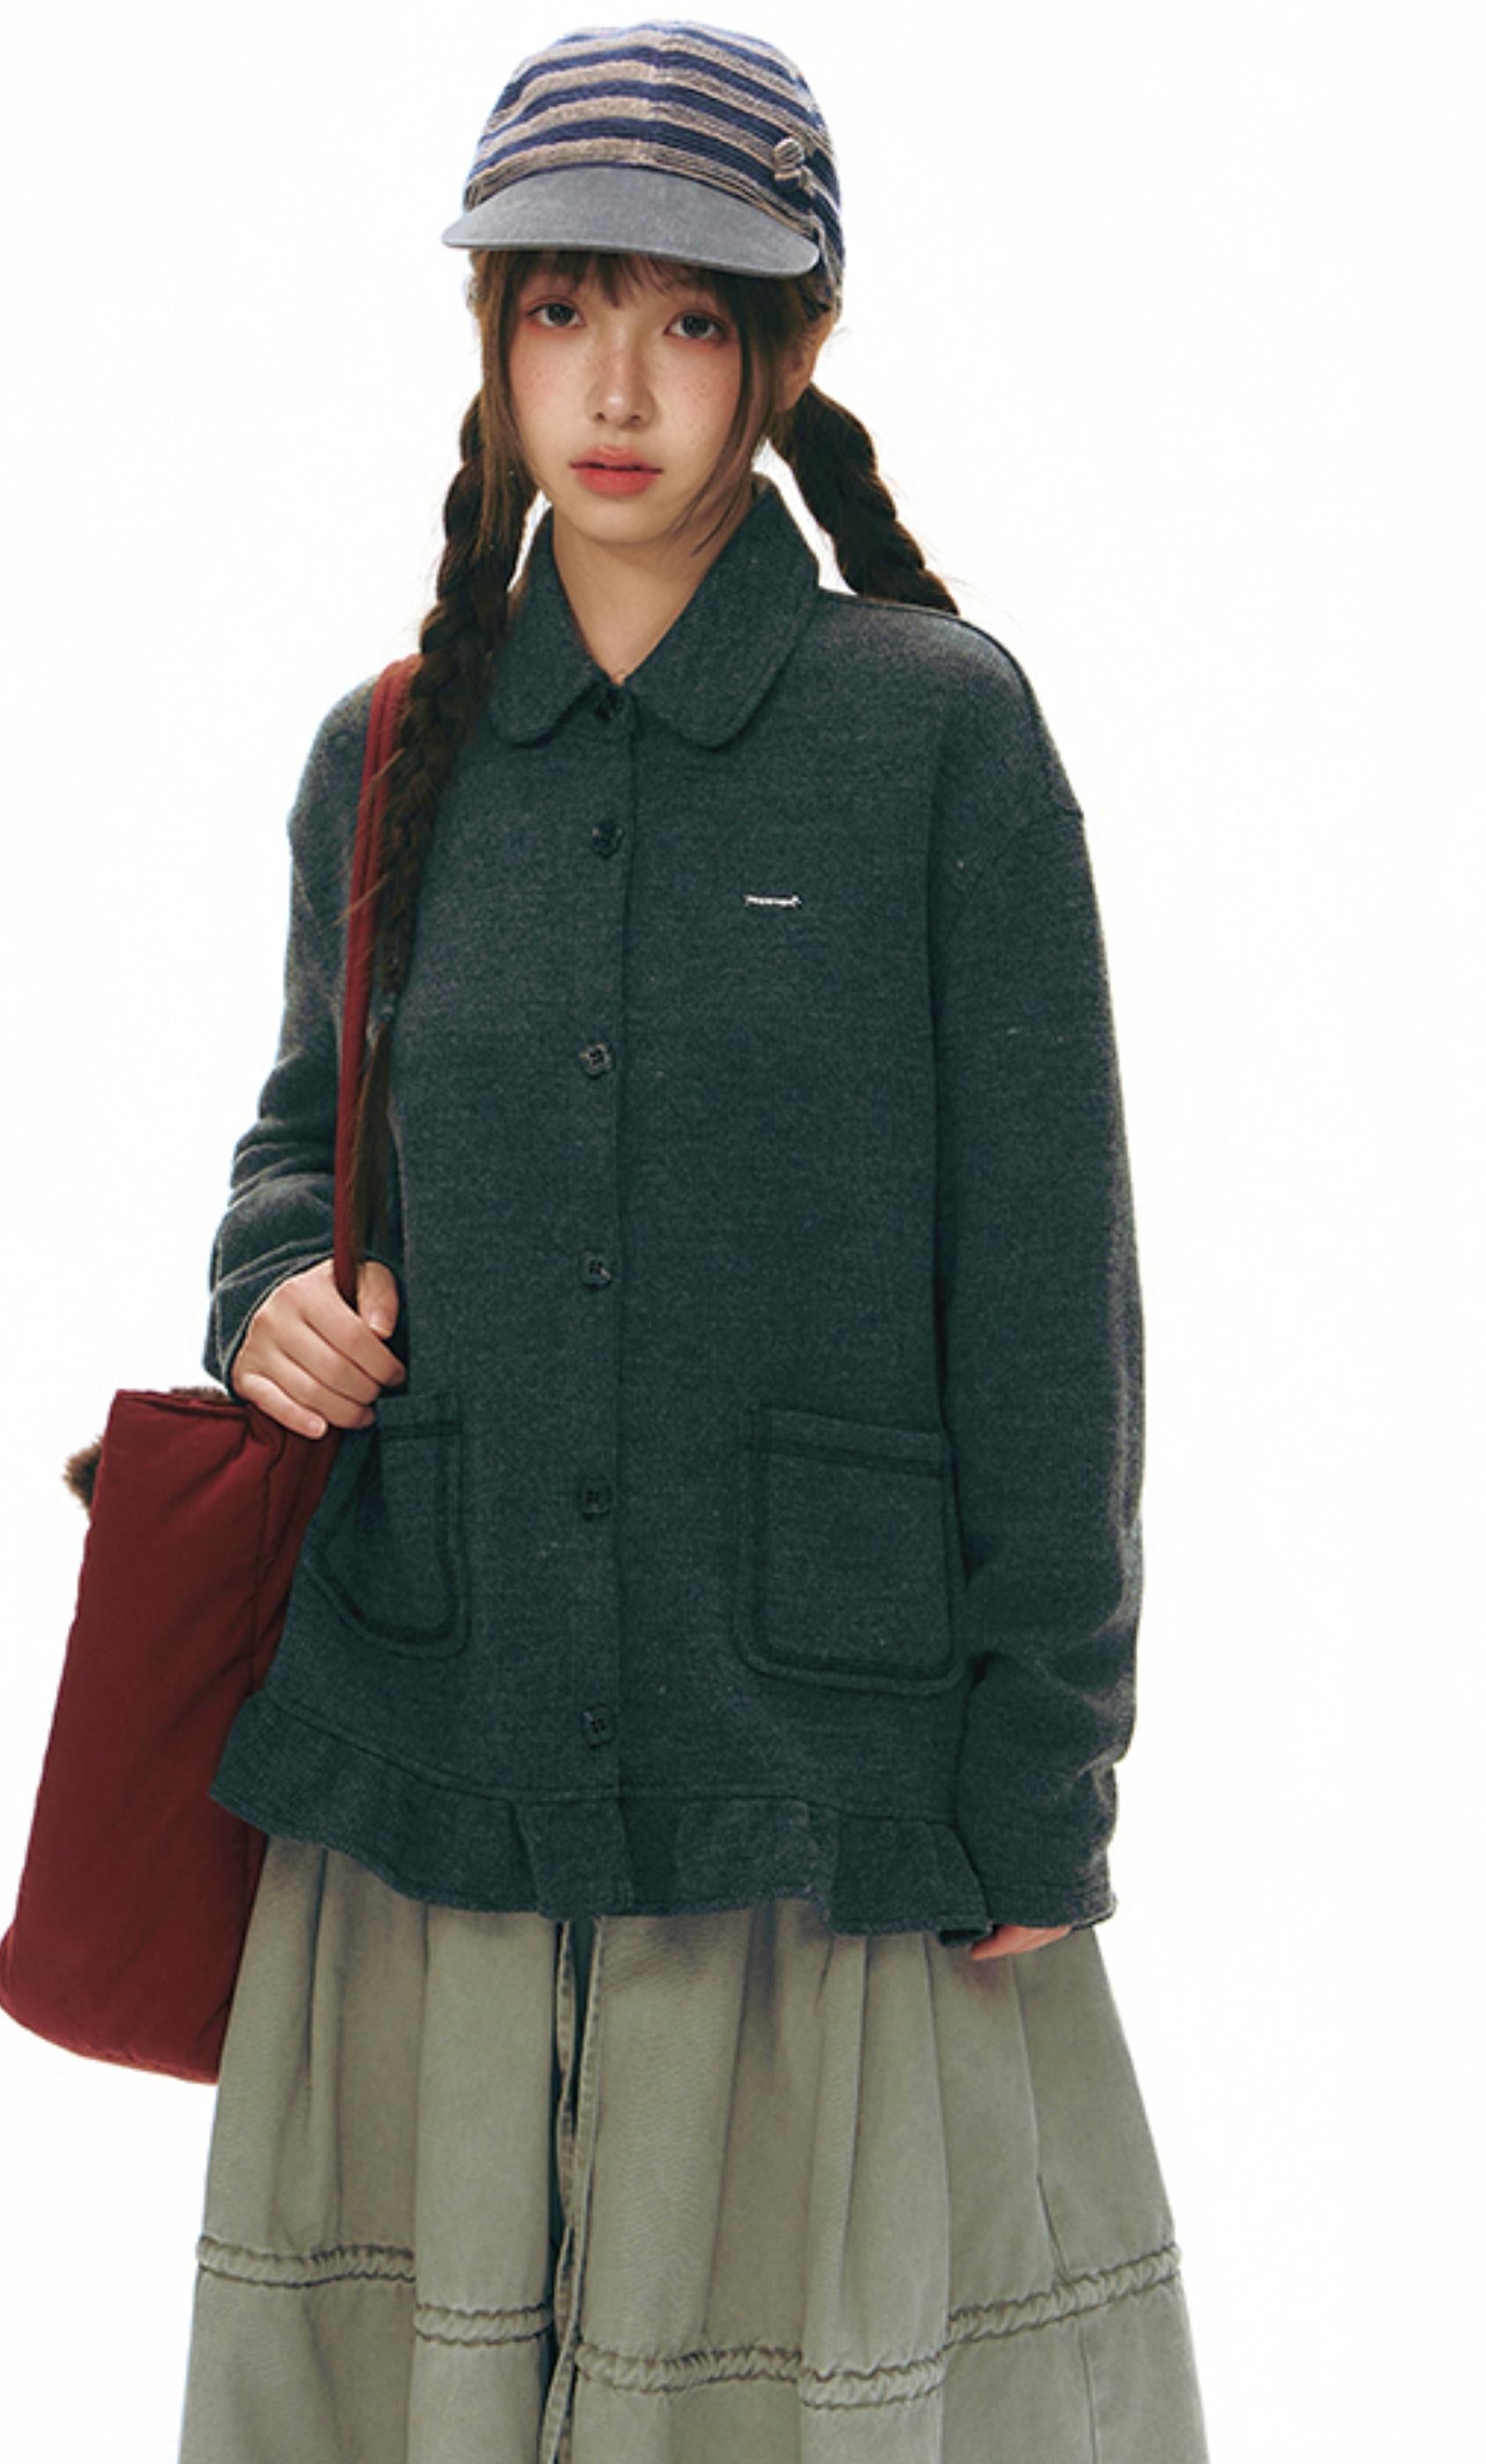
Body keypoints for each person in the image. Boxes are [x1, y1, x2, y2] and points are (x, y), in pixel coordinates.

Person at [176, 19, 1211, 2461]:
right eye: (560, 311)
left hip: (815, 1792)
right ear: (493, 340)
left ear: (790, 353)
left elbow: (1048, 1297)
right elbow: (301, 1144)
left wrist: (1048, 1768)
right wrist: (271, 1292)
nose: (617, 387)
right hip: (437, 1743)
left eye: (689, 318)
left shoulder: (938, 737)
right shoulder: (387, 749)